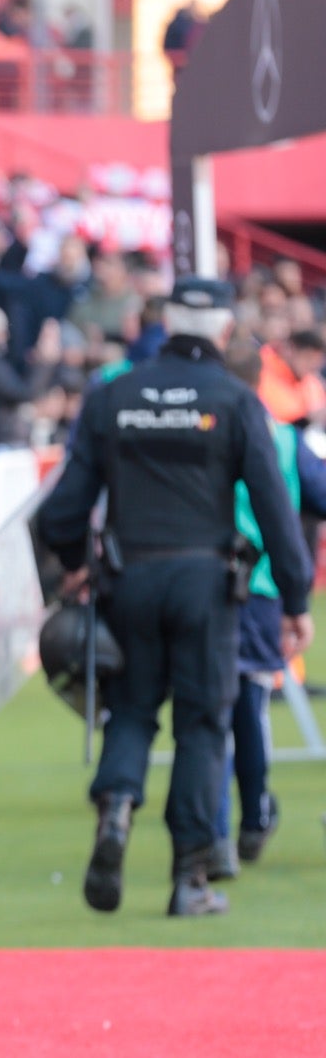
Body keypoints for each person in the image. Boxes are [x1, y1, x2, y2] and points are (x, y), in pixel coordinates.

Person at [35, 278, 314, 918]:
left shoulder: (112, 397)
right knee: (202, 724)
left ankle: (114, 814)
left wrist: (77, 568)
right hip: (206, 585)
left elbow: (62, 513)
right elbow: (277, 512)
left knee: (131, 711)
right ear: (222, 330)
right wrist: (295, 601)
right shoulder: (236, 400)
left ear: (165, 322)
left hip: (129, 579)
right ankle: (189, 877)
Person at [211, 346, 326, 876]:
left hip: (201, 583)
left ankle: (210, 828)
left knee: (204, 711)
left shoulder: (198, 431)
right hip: (259, 587)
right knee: (249, 704)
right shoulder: (280, 435)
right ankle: (252, 816)